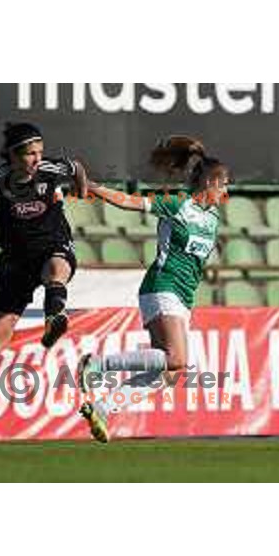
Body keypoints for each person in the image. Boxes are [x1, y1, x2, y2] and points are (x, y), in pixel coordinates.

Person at [77, 135, 230, 443]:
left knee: (171, 374)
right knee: (177, 359)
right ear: (211, 183)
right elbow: (128, 201)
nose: (226, 192)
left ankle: (103, 408)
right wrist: (92, 188)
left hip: (184, 297)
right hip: (163, 286)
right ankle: (97, 365)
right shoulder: (177, 204)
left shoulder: (213, 216)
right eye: (224, 185)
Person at [0, 122, 89, 443]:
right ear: (13, 156)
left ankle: (52, 316)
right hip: (15, 259)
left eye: (39, 152)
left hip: (51, 245)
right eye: (29, 153)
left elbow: (77, 168)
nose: (36, 159)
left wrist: (81, 191)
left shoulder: (51, 169)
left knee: (57, 269)